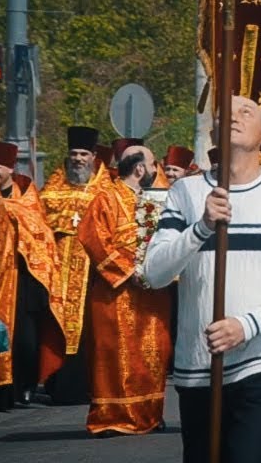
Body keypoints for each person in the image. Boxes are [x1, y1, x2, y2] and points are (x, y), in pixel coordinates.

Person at [144, 96, 261, 463]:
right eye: (224, 114)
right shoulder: (185, 192)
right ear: (213, 133)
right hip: (199, 362)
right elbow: (155, 272)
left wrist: (246, 326)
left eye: (246, 112)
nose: (234, 118)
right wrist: (201, 228)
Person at [76, 145, 174, 436]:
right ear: (140, 169)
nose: (156, 170)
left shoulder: (157, 200)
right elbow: (92, 238)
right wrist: (128, 272)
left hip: (152, 292)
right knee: (113, 354)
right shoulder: (105, 197)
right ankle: (110, 416)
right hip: (115, 293)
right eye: (153, 164)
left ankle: (149, 414)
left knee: (153, 352)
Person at [0, 141, 63, 409]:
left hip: (22, 278)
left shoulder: (26, 195)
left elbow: (39, 233)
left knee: (25, 341)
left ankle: (24, 385)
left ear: (10, 168)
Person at [39, 125, 107, 405]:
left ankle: (89, 384)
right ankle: (57, 383)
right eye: (74, 154)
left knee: (92, 328)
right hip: (58, 269)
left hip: (94, 271)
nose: (78, 159)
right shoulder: (52, 188)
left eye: (83, 154)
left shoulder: (105, 189)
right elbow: (40, 223)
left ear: (93, 157)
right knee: (56, 323)